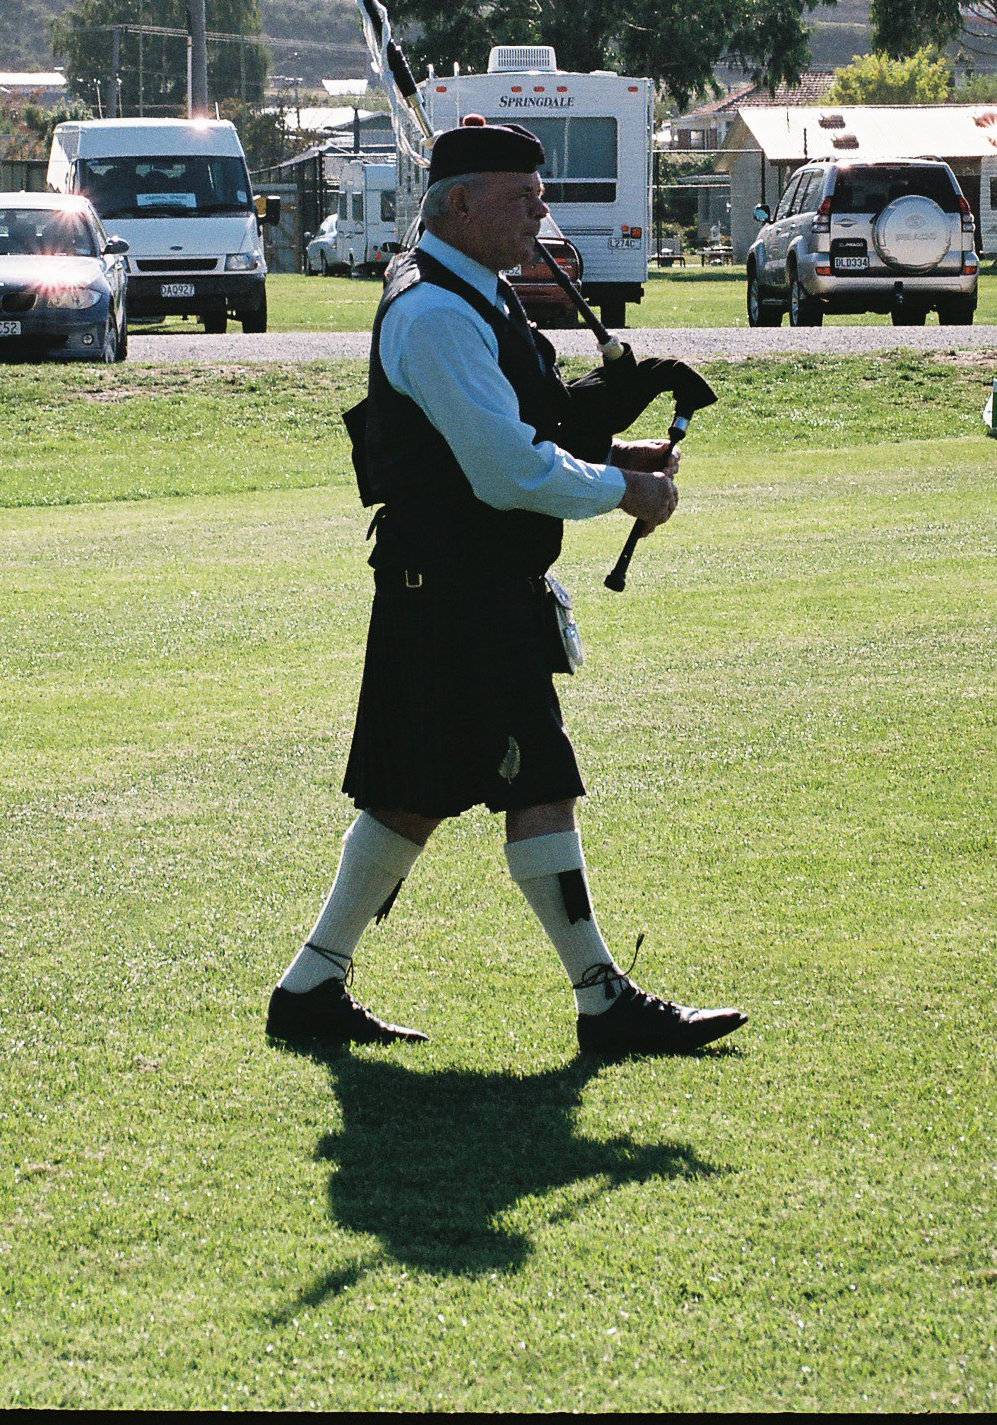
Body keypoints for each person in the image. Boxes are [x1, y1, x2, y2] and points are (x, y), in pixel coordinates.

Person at [267, 118, 746, 1058]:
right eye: (522, 198)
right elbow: (504, 471)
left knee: (410, 796)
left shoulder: (477, 295)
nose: (540, 214)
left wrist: (615, 454)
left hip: (455, 587)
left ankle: (311, 986)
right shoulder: (436, 313)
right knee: (541, 785)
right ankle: (603, 1001)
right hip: (458, 593)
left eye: (542, 196)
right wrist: (624, 491)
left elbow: (518, 430)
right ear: (460, 204)